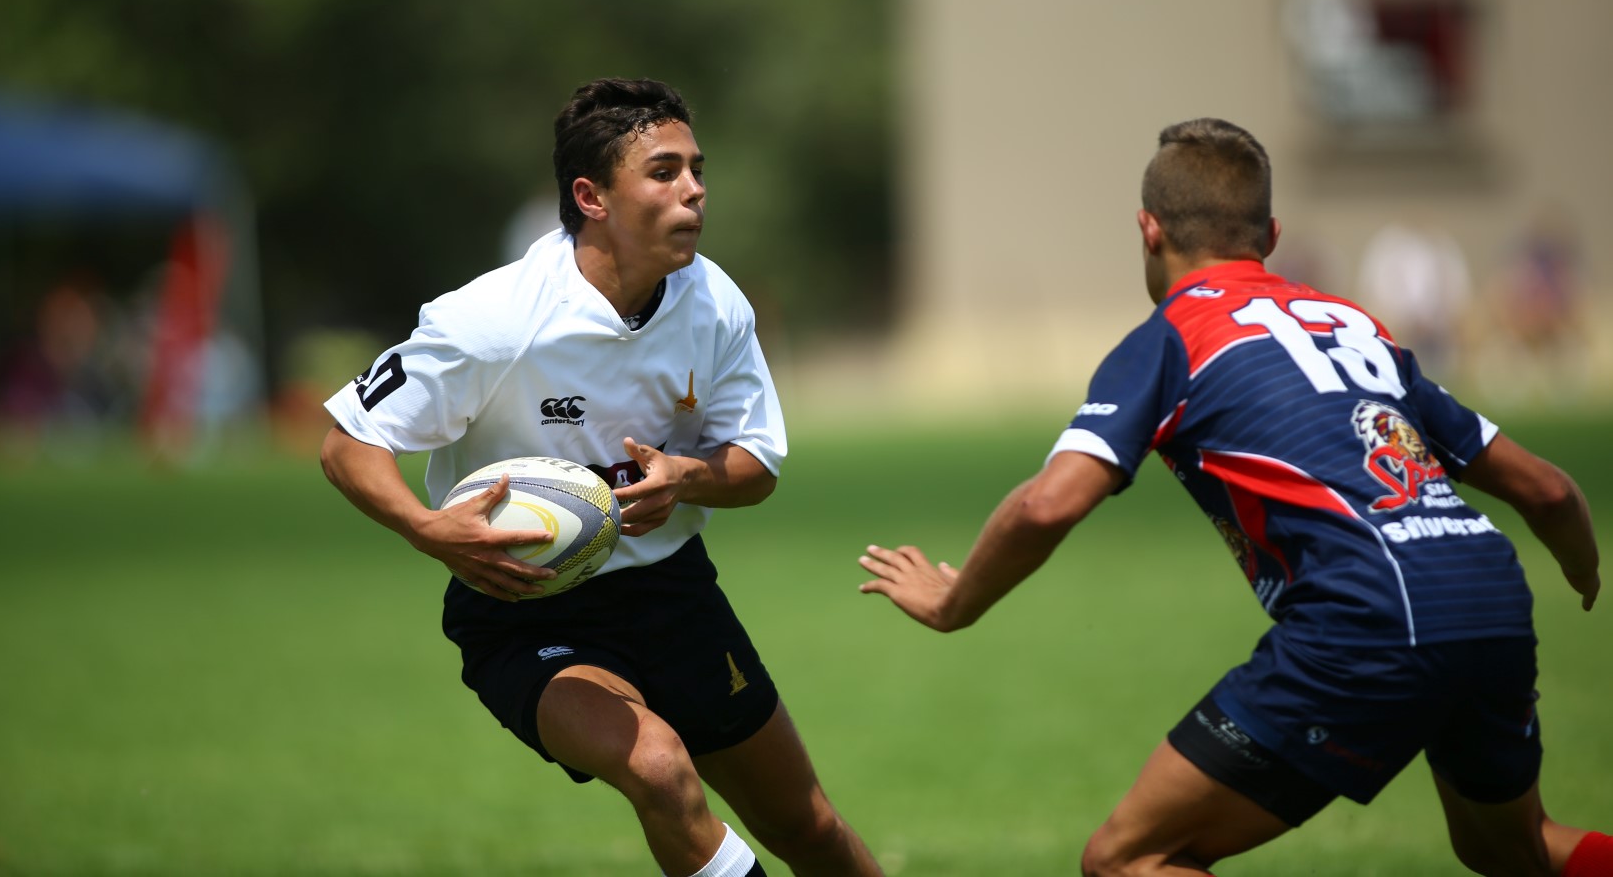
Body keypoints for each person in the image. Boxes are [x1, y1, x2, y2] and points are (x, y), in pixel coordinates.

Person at [858, 117, 1609, 877]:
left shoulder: (1172, 336)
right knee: (1512, 848)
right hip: (1488, 594)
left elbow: (1047, 504)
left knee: (1128, 859)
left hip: (1368, 614)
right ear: (1271, 236)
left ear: (1148, 230)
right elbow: (1548, 490)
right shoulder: (1357, 327)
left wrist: (956, 603)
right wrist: (1581, 569)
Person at [322, 78, 881, 877]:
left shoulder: (715, 303)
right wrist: (427, 528)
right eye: (664, 171)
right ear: (591, 197)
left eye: (696, 169)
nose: (694, 190)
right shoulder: (493, 322)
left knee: (808, 827)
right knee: (657, 767)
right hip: (523, 606)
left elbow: (757, 465)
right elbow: (348, 442)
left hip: (672, 594)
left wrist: (685, 477)